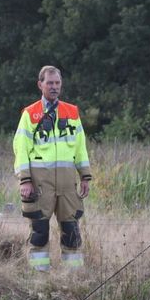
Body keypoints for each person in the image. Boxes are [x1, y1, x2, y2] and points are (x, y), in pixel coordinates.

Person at [12, 65, 93, 271]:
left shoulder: (72, 112)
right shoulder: (30, 114)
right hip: (40, 184)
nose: (54, 87)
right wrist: (25, 180)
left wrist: (85, 176)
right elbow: (21, 149)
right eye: (50, 83)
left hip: (67, 185)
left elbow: (80, 147)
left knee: (72, 232)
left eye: (57, 83)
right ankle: (40, 279)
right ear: (40, 85)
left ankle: (72, 279)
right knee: (39, 232)